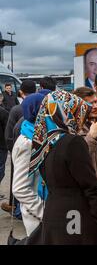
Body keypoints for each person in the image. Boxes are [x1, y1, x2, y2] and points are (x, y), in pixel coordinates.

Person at [29, 90, 97, 244]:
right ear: (67, 111)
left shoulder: (44, 143)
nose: (81, 115)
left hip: (53, 213)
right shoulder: (72, 142)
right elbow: (90, 185)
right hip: (75, 216)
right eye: (77, 110)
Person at [11, 93, 45, 235]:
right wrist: (45, 212)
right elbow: (19, 188)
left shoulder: (33, 131)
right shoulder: (28, 142)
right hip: (38, 218)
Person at [1, 80, 37, 214]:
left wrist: (13, 151)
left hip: (20, 151)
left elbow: (8, 135)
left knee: (18, 182)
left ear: (21, 92)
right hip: (38, 152)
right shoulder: (43, 106)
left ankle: (17, 210)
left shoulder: (16, 109)